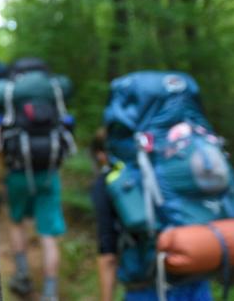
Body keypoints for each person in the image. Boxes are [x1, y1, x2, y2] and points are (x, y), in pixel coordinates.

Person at [90, 128, 213, 301]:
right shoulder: (168, 166)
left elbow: (108, 251)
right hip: (195, 280)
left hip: (147, 287)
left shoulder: (110, 182)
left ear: (103, 154)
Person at [0, 57, 74, 300]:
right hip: (49, 172)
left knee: (17, 223)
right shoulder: (54, 88)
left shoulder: (10, 90)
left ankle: (22, 276)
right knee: (48, 234)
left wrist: (0, 172)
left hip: (17, 170)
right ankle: (50, 293)